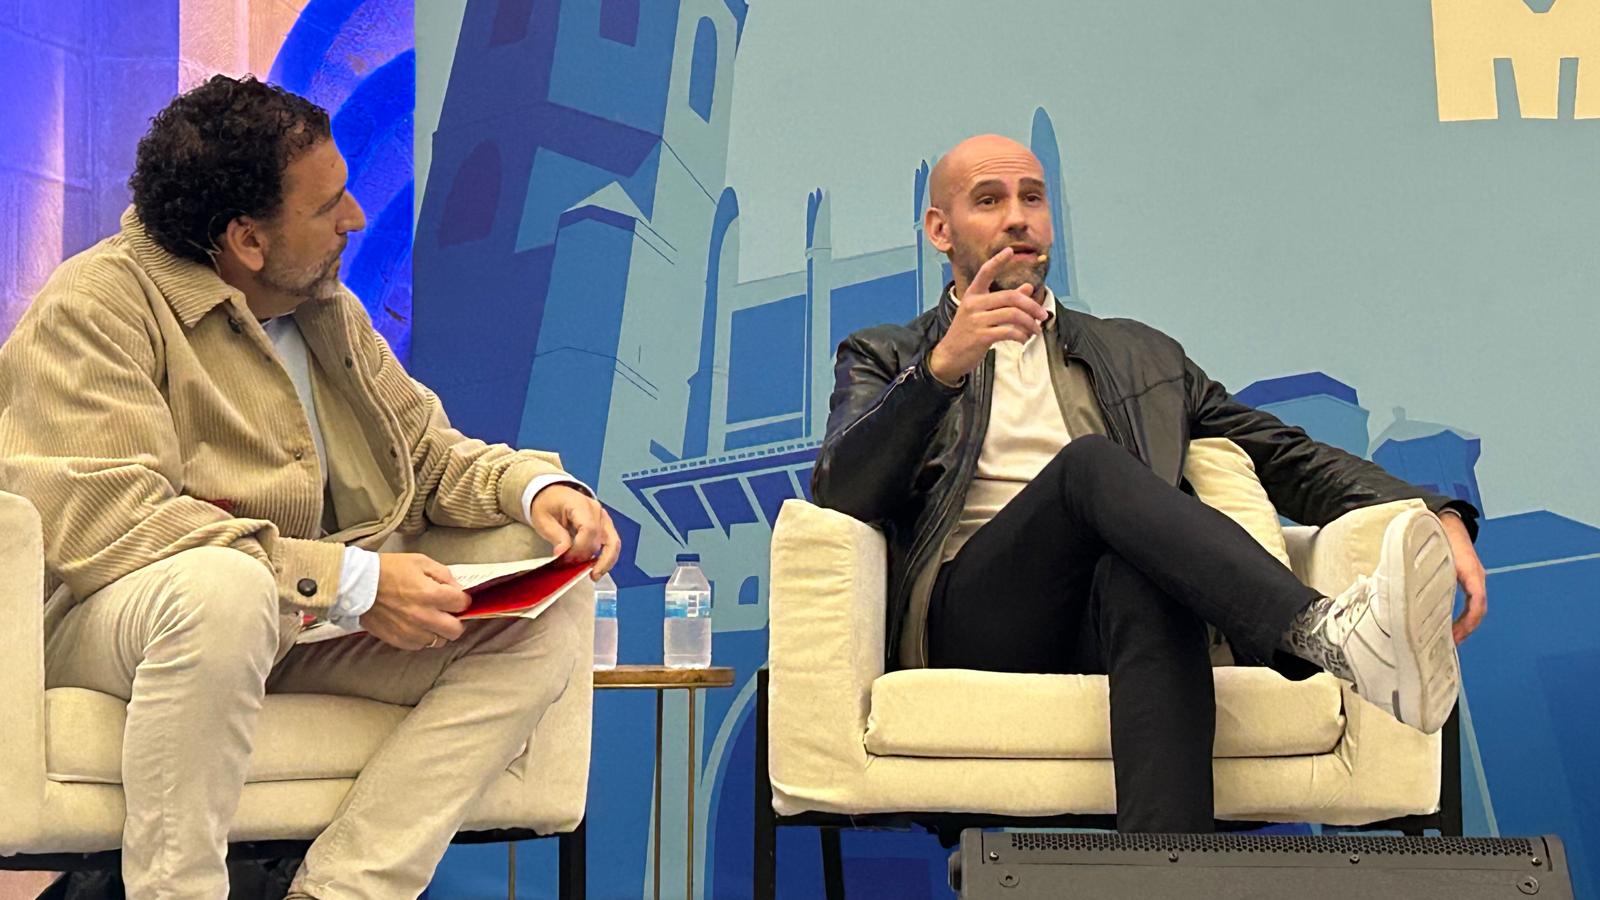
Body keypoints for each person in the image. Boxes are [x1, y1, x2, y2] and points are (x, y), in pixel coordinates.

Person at [0, 75, 620, 898]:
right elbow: (113, 520)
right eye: (329, 204)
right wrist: (353, 584)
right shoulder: (95, 304)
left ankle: (343, 890)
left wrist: (537, 490)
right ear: (247, 240)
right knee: (219, 590)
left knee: (549, 606)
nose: (356, 218)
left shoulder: (327, 309)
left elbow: (425, 458)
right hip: (120, 620)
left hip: (297, 621)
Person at [811, 133, 1487, 834]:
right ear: (940, 230)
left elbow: (1286, 457)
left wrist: (1435, 512)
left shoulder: (1141, 355)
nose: (1018, 217)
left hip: (1109, 612)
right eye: (989, 200)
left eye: (1032, 199)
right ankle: (1321, 633)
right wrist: (941, 371)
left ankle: (1168, 873)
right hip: (975, 617)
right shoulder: (888, 354)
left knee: (1145, 577)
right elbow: (843, 492)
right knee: (1089, 465)